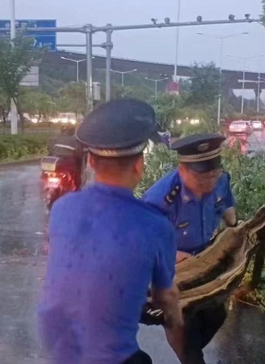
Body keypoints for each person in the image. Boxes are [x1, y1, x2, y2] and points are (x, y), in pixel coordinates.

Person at [38, 99, 185, 364]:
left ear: (91, 163)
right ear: (139, 166)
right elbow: (166, 296)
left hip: (57, 350)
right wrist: (176, 323)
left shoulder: (62, 209)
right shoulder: (156, 225)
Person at [142, 133, 237, 364]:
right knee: (187, 334)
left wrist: (238, 232)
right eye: (201, 179)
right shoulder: (160, 199)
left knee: (217, 313)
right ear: (183, 170)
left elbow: (228, 209)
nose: (209, 183)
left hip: (207, 260)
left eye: (213, 175)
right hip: (173, 270)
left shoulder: (221, 180)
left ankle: (189, 349)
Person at [47, 124, 85, 188]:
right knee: (77, 174)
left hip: (56, 163)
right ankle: (76, 189)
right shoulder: (75, 141)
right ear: (71, 132)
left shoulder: (55, 139)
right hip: (68, 163)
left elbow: (50, 150)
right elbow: (79, 154)